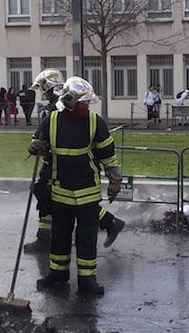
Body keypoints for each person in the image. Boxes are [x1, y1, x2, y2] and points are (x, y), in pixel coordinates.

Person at [29, 76, 121, 296]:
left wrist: (115, 181)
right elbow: (36, 141)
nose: (85, 107)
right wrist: (35, 146)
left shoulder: (95, 121)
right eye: (82, 103)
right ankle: (58, 273)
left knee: (86, 239)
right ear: (69, 101)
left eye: (87, 103)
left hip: (87, 192)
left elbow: (108, 155)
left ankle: (87, 280)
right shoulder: (51, 120)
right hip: (60, 192)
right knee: (60, 236)